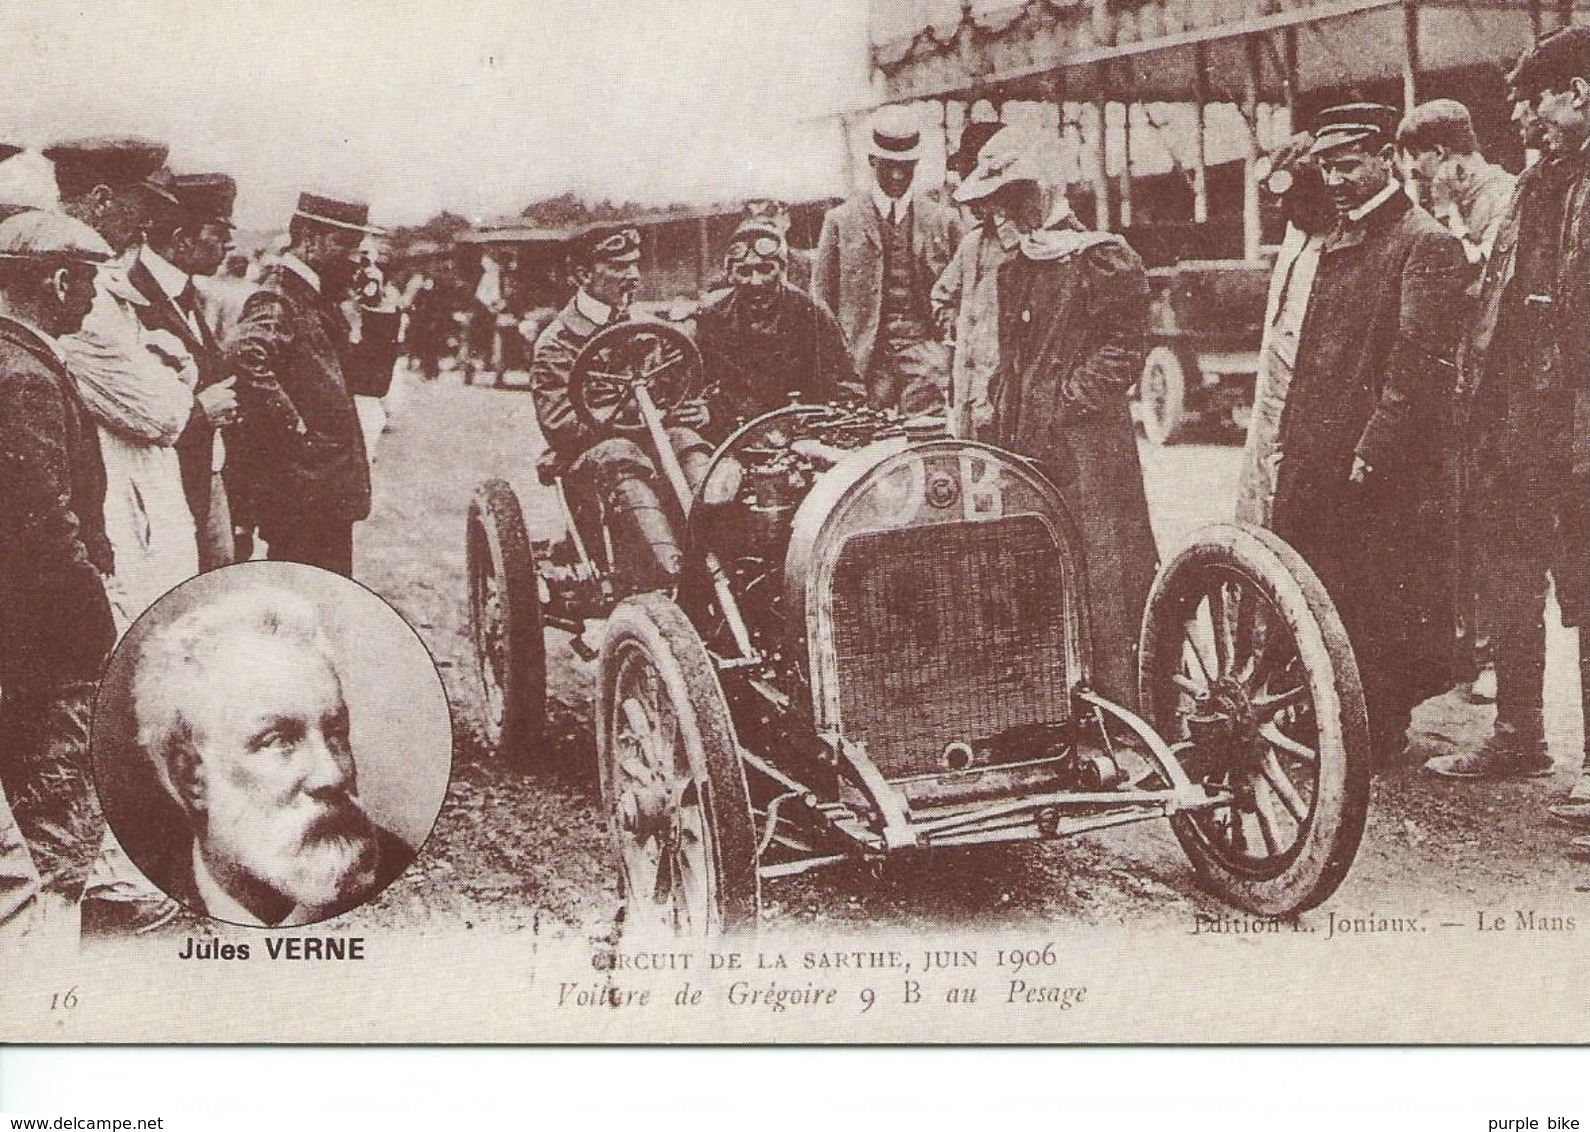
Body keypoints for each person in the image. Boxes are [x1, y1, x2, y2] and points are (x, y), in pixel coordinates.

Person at [1270, 103, 1468, 768]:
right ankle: (1331, 717)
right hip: (1318, 450)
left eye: (1348, 164)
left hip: (1376, 461)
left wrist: (1373, 450)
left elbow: (1416, 361)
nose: (1335, 179)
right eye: (1327, 166)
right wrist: (1289, 437)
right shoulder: (1340, 235)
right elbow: (1313, 356)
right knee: (1319, 585)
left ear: (1386, 157)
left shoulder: (1424, 241)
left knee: (1378, 595)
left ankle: (1378, 730)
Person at [1427, 29, 1589, 811]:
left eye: (1533, 101)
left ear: (1579, 94)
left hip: (1580, 428)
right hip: (1523, 430)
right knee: (1510, 579)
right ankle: (1520, 737)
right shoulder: (1537, 183)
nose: (1521, 118)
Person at [955, 129, 1159, 710]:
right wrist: (1002, 416)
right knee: (1033, 564)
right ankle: (1052, 702)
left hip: (1088, 447)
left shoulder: (1101, 257)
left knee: (1104, 569)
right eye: (992, 205)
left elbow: (1125, 346)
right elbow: (1011, 359)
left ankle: (1126, 706)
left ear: (1039, 193)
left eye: (1009, 201)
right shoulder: (1017, 267)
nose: (999, 217)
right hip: (1026, 443)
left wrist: (1071, 399)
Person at [129, 586, 415, 926]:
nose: (332, 775)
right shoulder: (129, 916)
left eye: (336, 735)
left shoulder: (406, 883)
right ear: (192, 776)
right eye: (279, 740)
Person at [0, 209, 118, 939]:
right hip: (46, 642)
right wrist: (93, 623)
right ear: (59, 280)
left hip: (23, 634)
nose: (95, 299)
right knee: (57, 814)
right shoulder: (24, 377)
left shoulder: (21, 362)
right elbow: (48, 525)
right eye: (91, 281)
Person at [48, 137, 204, 629]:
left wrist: (167, 366)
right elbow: (160, 413)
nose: (142, 225)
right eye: (139, 207)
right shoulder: (74, 286)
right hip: (110, 504)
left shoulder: (99, 277)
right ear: (100, 198)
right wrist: (177, 378)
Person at [530, 226, 711, 594]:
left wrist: (694, 409)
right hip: (593, 466)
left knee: (689, 444)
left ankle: (717, 555)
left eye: (634, 265)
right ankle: (669, 575)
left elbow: (675, 389)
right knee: (620, 454)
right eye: (618, 266)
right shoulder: (557, 343)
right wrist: (629, 412)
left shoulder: (643, 327)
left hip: (654, 446)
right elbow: (560, 424)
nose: (633, 276)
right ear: (583, 275)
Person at [227, 192, 399, 576]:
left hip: (322, 496)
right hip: (301, 497)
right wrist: (298, 433)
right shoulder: (279, 298)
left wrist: (378, 310)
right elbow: (244, 356)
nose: (356, 259)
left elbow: (369, 382)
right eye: (345, 245)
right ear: (307, 236)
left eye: (359, 248)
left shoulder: (315, 300)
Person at [813, 105, 960, 415]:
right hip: (863, 360)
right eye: (888, 165)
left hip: (925, 357)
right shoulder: (840, 220)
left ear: (916, 164)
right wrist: (838, 362)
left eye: (906, 166)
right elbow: (821, 301)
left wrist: (944, 350)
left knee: (927, 439)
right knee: (865, 440)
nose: (897, 175)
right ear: (871, 161)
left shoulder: (942, 220)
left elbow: (965, 293)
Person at [131, 171, 240, 571]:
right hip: (162, 481)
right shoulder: (133, 295)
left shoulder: (186, 293)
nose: (229, 244)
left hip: (203, 468)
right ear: (180, 238)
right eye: (219, 232)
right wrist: (201, 409)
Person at [1233, 132, 1338, 527]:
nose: (1282, 209)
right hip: (1273, 391)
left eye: (1291, 198)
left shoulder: (1340, 240)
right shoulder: (1297, 234)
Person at [693, 217, 860, 441]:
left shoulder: (812, 313)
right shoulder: (711, 318)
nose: (755, 281)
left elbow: (846, 385)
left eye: (765, 269)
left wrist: (826, 422)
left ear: (782, 269)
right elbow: (696, 386)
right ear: (730, 275)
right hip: (734, 433)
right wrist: (703, 411)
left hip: (801, 432)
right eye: (744, 272)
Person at [932, 120, 1010, 438]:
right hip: (968, 391)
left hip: (1006, 396)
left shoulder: (1031, 246)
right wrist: (958, 329)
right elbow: (942, 295)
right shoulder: (972, 244)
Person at [1397, 99, 1519, 272]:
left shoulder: (1507, 193)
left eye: (1415, 156)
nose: (1413, 169)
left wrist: (1448, 214)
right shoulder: (1452, 195)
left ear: (1439, 152)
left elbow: (1485, 267)